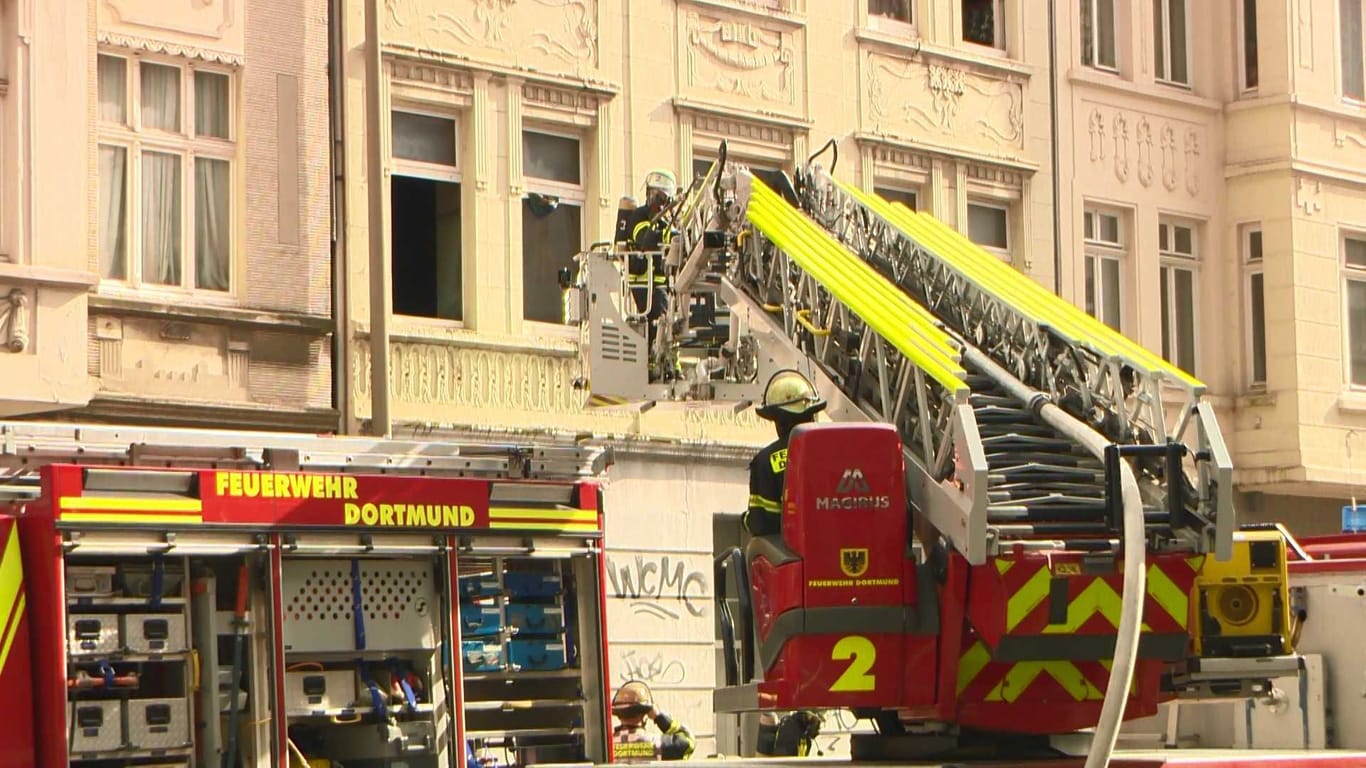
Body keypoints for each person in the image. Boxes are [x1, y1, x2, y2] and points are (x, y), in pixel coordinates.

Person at [743, 369, 826, 538]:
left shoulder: (765, 462)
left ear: (778, 421)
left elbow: (762, 523)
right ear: (811, 415)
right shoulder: (835, 453)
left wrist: (746, 520)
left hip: (791, 553)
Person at [610, 680, 696, 763]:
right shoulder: (658, 744)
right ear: (646, 715)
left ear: (618, 715)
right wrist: (660, 718)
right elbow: (689, 741)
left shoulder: (607, 745)